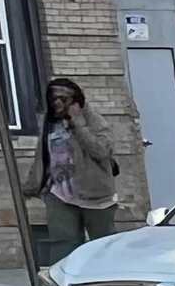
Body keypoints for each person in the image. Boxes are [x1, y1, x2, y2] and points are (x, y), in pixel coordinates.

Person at [28, 76, 120, 249]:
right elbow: (42, 158)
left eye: (63, 99)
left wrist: (78, 124)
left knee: (103, 246)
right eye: (53, 98)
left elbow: (101, 152)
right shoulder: (50, 125)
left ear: (75, 100)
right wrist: (31, 186)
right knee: (63, 246)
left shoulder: (94, 120)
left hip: (95, 198)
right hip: (59, 196)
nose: (57, 103)